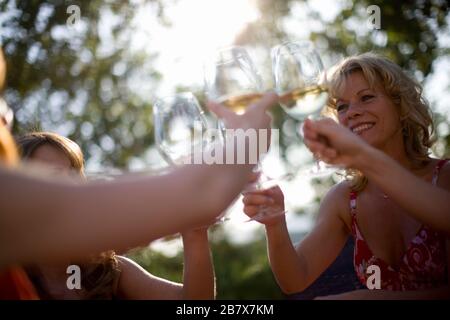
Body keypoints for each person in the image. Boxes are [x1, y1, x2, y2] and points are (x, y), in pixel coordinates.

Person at [0, 46, 278, 271]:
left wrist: (193, 222)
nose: (6, 115)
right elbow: (201, 192)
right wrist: (247, 140)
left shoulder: (104, 273)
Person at [243, 53, 449, 299]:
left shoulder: (444, 178)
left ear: (400, 104)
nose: (352, 112)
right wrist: (275, 224)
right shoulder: (344, 199)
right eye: (342, 106)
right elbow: (295, 278)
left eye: (367, 97)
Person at [16, 132, 215, 299]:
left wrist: (194, 232)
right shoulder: (9, 278)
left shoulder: (105, 271)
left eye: (75, 176)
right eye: (55, 178)